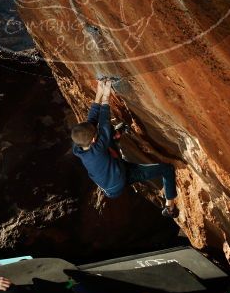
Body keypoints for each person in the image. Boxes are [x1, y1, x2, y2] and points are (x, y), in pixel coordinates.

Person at [71, 79, 179, 217]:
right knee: (167, 169)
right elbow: (103, 123)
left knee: (105, 134)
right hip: (119, 181)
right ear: (93, 140)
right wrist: (106, 97)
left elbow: (91, 122)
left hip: (110, 174)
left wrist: (98, 93)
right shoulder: (97, 150)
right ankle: (169, 208)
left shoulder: (79, 146)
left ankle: (117, 134)